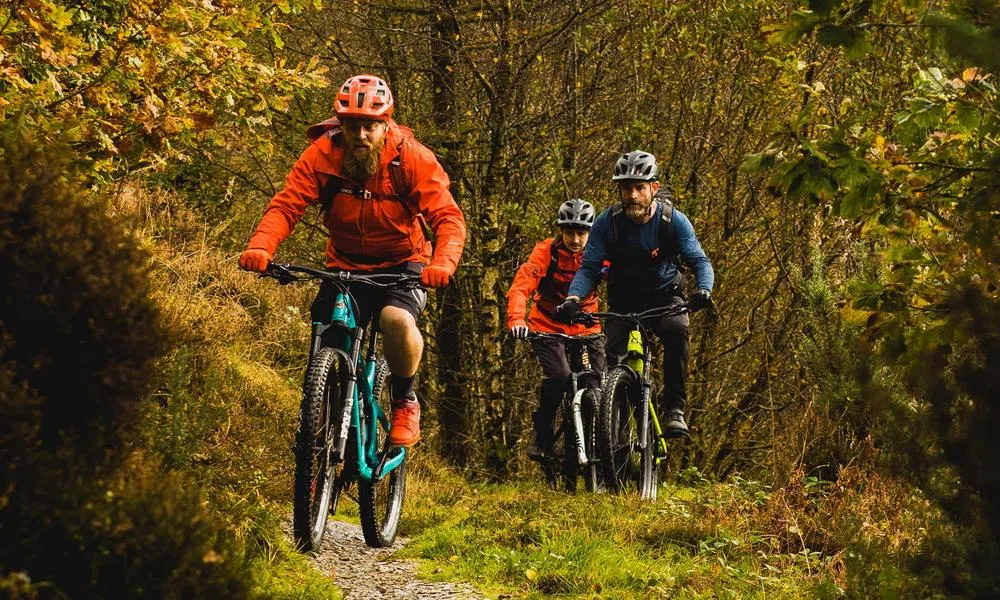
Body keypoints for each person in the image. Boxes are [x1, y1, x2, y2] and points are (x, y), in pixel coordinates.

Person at [238, 74, 466, 447]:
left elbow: (448, 218)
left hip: (403, 263)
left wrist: (442, 262)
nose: (360, 136)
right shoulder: (323, 155)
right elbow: (287, 205)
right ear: (339, 125)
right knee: (328, 330)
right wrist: (262, 247)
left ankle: (405, 399)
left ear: (386, 124)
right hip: (344, 263)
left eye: (370, 127)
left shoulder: (411, 159)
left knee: (395, 319)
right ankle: (318, 430)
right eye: (352, 126)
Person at [556, 150, 713, 437]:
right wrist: (573, 298)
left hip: (665, 298)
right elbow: (589, 268)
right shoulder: (608, 222)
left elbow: (699, 260)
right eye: (626, 187)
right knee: (613, 359)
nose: (633, 195)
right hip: (624, 301)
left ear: (653, 188)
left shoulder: (672, 221)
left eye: (639, 187)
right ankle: (613, 433)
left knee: (676, 331)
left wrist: (703, 290)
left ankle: (674, 411)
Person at [506, 199, 607, 459]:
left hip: (586, 325)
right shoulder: (545, 252)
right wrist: (517, 320)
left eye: (581, 232)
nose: (575, 239)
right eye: (570, 232)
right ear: (560, 230)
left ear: (591, 231)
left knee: (596, 382)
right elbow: (522, 286)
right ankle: (542, 432)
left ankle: (601, 441)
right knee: (561, 376)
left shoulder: (599, 252)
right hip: (547, 325)